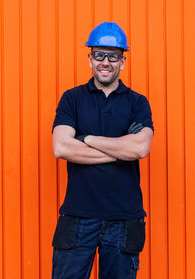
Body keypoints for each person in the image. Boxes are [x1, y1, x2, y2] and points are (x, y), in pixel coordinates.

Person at [51, 21, 154, 279]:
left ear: (122, 61)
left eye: (113, 56)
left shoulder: (137, 102)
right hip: (77, 215)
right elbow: (62, 146)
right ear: (90, 59)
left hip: (124, 218)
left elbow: (140, 147)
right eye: (99, 55)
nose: (105, 62)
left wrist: (85, 138)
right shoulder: (72, 99)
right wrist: (120, 149)